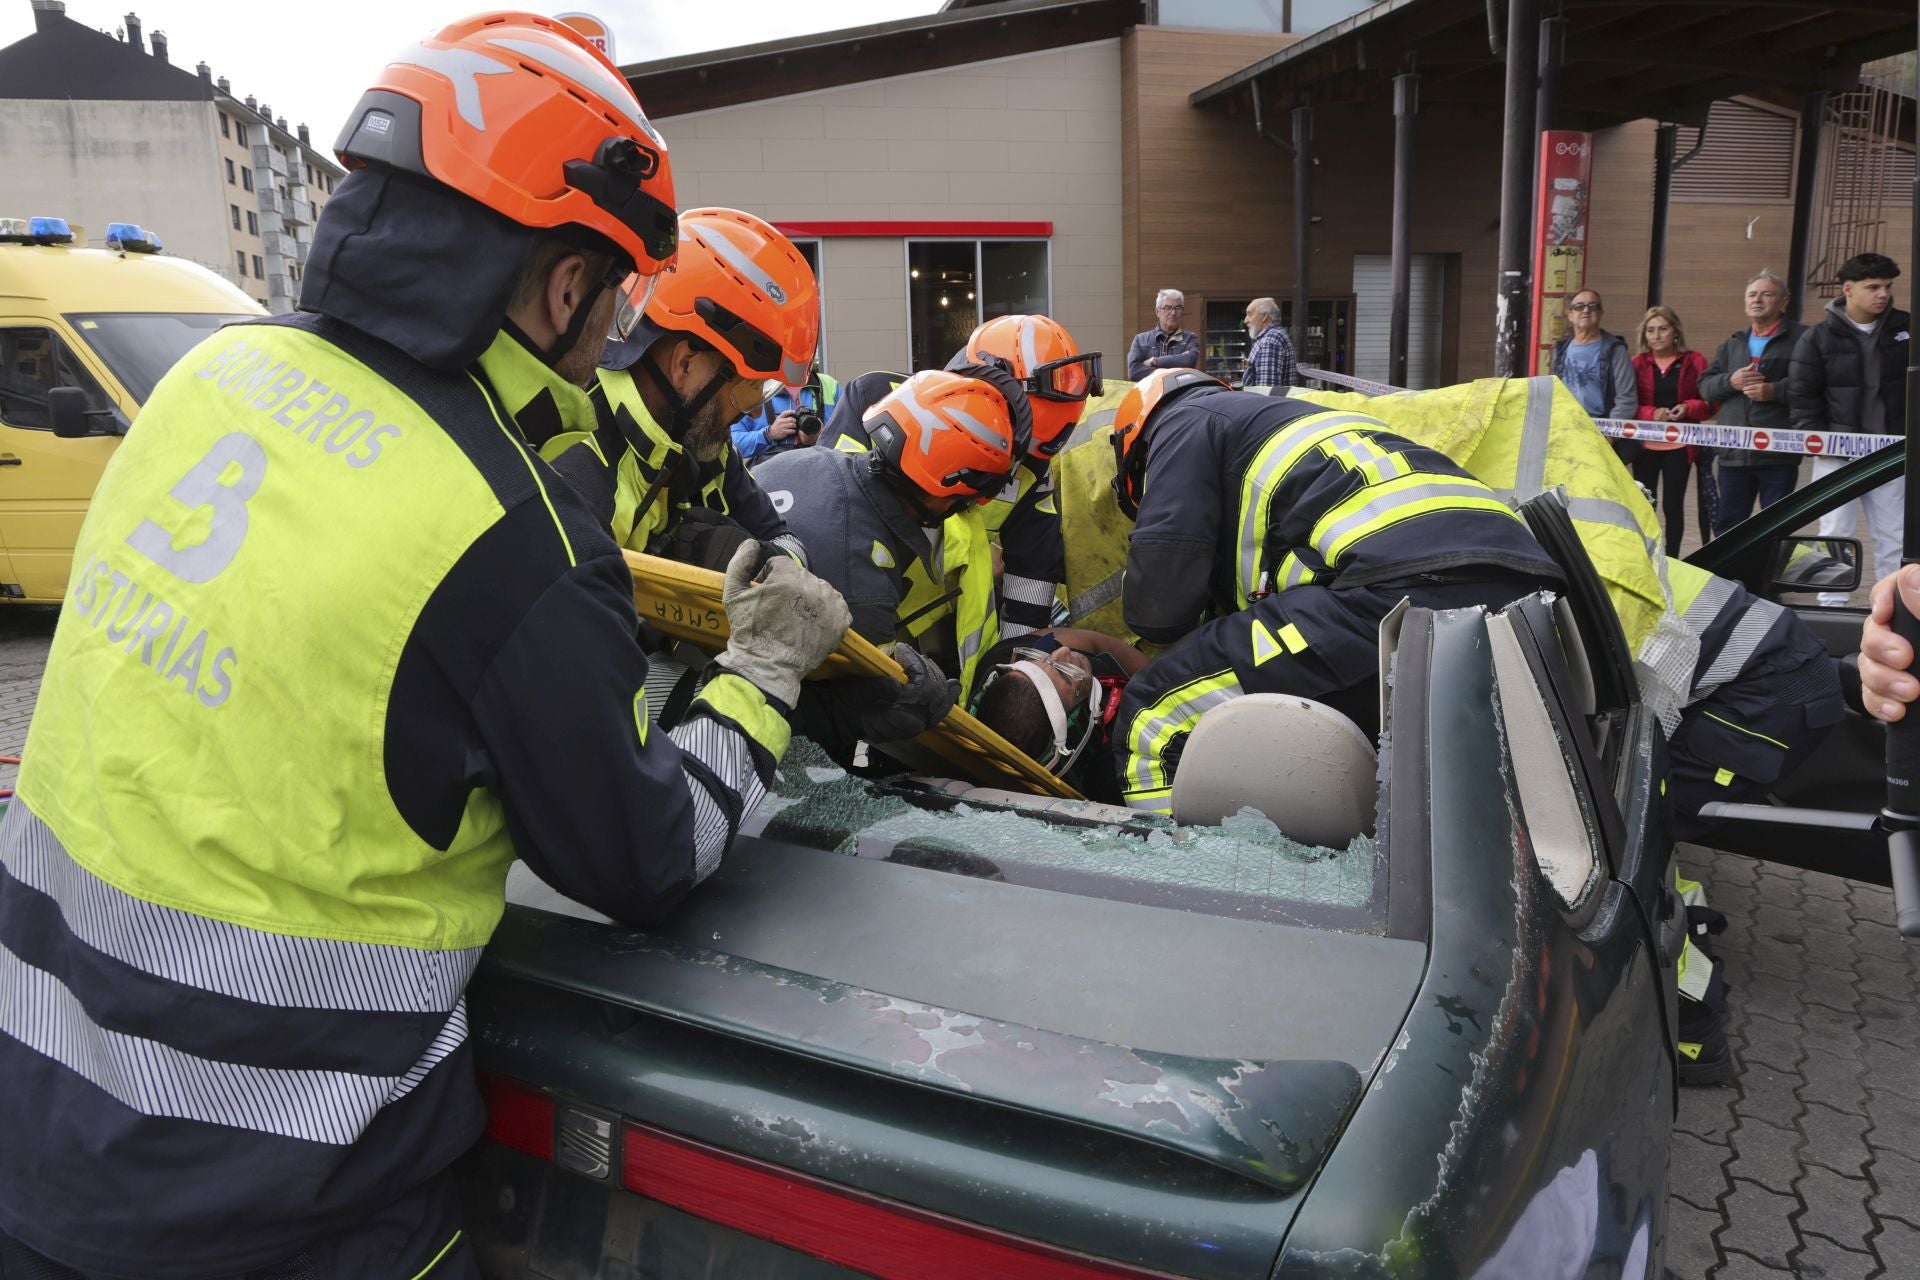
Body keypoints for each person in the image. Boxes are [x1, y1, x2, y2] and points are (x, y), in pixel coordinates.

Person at [0, 18, 854, 1280]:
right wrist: (768, 668)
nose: (618, 318)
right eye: (612, 285)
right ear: (563, 285)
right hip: (279, 1201)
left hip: (31, 1132)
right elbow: (643, 849)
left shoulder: (210, 378)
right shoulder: (507, 531)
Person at [1107, 369, 1565, 813]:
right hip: (1525, 590)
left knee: (1157, 709)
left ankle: (1167, 881)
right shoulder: (1299, 421)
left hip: (1396, 593)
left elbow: (1159, 612)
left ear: (1135, 453)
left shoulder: (1182, 422)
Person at [755, 368, 1024, 762]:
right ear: (947, 487)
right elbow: (806, 725)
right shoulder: (863, 586)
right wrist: (890, 711)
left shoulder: (811, 461)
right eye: (974, 494)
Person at [555, 207, 817, 574]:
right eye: (750, 388)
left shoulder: (704, 443)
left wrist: (759, 562)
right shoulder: (576, 469)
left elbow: (787, 541)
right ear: (686, 365)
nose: (756, 412)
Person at [1662, 557, 1843, 1082]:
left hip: (1766, 696)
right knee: (1644, 824)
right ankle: (1679, 920)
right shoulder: (1559, 539)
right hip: (1779, 673)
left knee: (1623, 839)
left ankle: (1691, 1030)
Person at [821, 315, 1103, 639]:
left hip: (922, 627)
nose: (1009, 462)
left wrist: (1017, 662)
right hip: (835, 606)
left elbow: (1033, 572)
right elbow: (831, 506)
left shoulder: (1032, 473)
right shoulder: (877, 398)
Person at [1792, 252, 1911, 604]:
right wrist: (1819, 441)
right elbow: (1802, 396)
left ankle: (1892, 611)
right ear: (1848, 290)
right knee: (1834, 532)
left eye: (1887, 286)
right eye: (1873, 286)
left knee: (1893, 536)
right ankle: (1831, 607)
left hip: (1890, 453)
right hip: (1835, 453)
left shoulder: (1907, 328)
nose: (1883, 294)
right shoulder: (1817, 338)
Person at [970, 628, 1145, 801]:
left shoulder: (1002, 656)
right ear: (1077, 724)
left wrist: (1155, 675)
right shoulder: (1123, 766)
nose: (1063, 651)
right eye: (1064, 673)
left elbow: (1096, 641)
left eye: (1035, 661)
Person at [1701, 271, 1807, 535]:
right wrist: (1730, 381)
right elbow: (1705, 386)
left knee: (1776, 527)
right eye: (1752, 295)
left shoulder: (1803, 339)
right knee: (1729, 527)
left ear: (1784, 301)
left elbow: (1813, 384)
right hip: (1734, 455)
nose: (1757, 300)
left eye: (1766, 294)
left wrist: (1775, 391)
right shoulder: (1733, 343)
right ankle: (1730, 577)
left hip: (1778, 454)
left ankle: (1768, 576)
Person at [1629, 305, 1714, 556]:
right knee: (1645, 504)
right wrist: (1650, 414)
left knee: (1673, 505)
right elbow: (1627, 402)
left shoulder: (1694, 360)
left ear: (1675, 332)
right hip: (1645, 445)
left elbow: (1710, 403)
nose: (1656, 335)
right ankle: (1646, 555)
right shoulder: (1637, 363)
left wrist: (1688, 408)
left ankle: (1673, 557)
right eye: (1650, 330)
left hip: (1680, 445)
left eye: (1663, 329)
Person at [1551, 289, 1637, 453]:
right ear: (1570, 314)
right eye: (1579, 306)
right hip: (1567, 431)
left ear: (1601, 313)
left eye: (1592, 306)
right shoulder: (1561, 350)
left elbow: (1626, 397)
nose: (1586, 310)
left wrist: (1610, 435)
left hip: (1601, 432)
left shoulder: (1614, 349)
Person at [731, 366, 838, 467]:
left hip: (819, 473)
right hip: (768, 479)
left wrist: (822, 439)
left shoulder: (829, 386)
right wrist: (769, 434)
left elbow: (849, 438)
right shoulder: (753, 387)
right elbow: (732, 444)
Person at [1126, 288, 1202, 380]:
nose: (1173, 313)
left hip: (1180, 394)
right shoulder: (1141, 340)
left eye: (1178, 308)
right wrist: (1173, 370)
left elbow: (1189, 361)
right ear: (1157, 312)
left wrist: (1155, 361)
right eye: (1168, 308)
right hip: (1151, 393)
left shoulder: (1190, 338)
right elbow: (1134, 372)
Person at [1241, 297, 1297, 390]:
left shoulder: (1270, 341)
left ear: (1264, 317)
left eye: (1249, 314)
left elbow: (1266, 390)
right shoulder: (1271, 336)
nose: (1245, 320)